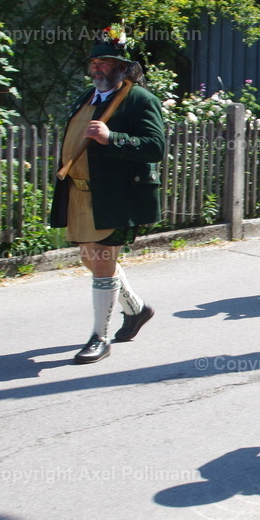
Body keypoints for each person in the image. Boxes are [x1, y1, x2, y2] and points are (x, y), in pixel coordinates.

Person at [49, 27, 164, 364]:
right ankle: (138, 310)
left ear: (121, 66)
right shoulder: (86, 97)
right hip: (81, 196)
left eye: (105, 62)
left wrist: (113, 138)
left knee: (102, 263)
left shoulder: (140, 99)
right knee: (91, 259)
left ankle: (99, 337)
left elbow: (155, 147)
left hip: (118, 196)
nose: (97, 67)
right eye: (94, 62)